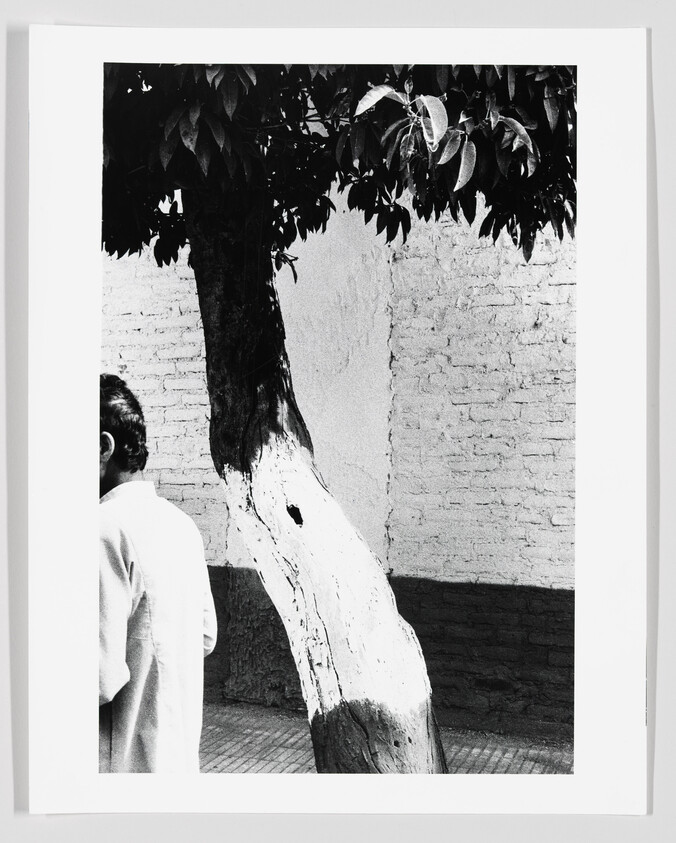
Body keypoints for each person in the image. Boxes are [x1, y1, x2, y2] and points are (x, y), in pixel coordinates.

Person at [99, 373, 217, 773]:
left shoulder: (102, 528)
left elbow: (97, 678)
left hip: (122, 770)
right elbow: (205, 636)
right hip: (179, 761)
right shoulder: (182, 524)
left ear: (102, 447)